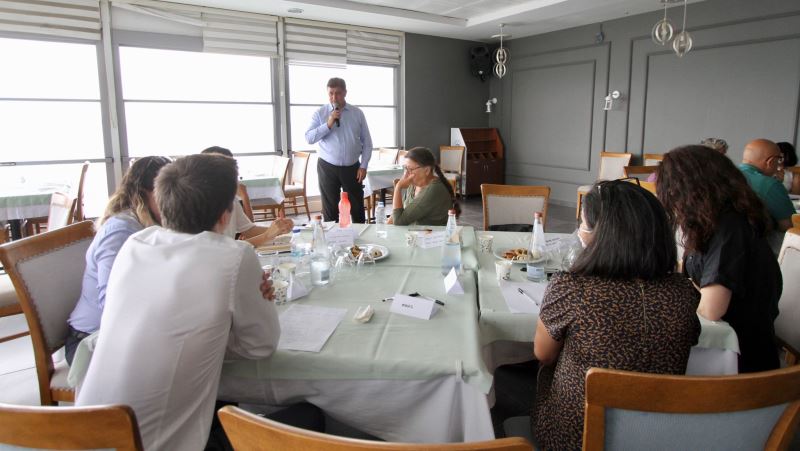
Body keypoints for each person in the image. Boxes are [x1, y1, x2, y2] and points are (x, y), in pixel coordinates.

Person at [76, 154, 281, 451]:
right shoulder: (233, 256)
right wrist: (211, 335)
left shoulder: (136, 244)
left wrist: (201, 334)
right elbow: (261, 346)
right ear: (226, 215)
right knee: (309, 417)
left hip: (79, 436)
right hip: (157, 446)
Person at [532, 180, 700, 450]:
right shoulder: (683, 292)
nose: (580, 233)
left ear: (604, 235)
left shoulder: (572, 288)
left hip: (578, 437)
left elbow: (544, 354)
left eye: (584, 225)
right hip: (656, 435)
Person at [657, 145, 781, 373]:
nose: (672, 202)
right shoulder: (712, 223)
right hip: (728, 346)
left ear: (691, 190)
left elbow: (711, 309)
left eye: (673, 192)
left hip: (740, 362)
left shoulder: (730, 229)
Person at [64, 156, 171, 365]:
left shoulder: (150, 225)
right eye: (168, 194)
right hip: (91, 342)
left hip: (124, 333)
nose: (173, 202)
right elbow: (112, 302)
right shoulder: (121, 230)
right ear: (144, 193)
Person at [305, 77, 373, 223]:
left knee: (357, 208)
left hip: (353, 168)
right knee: (330, 210)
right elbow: (309, 138)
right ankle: (332, 237)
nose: (334, 97)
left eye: (338, 93)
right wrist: (328, 124)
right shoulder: (320, 113)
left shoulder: (357, 113)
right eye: (331, 93)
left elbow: (367, 142)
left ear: (345, 93)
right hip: (327, 167)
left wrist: (364, 166)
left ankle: (360, 236)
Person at [202, 146, 293, 246]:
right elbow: (224, 248)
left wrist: (279, 229)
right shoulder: (201, 206)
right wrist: (267, 235)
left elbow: (249, 230)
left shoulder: (231, 200)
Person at [388, 147, 459, 226]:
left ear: (427, 170)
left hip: (430, 233)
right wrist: (386, 225)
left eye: (410, 169)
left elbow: (398, 221)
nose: (406, 174)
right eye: (405, 168)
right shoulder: (413, 184)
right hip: (413, 232)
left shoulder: (433, 190)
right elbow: (397, 213)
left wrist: (398, 187)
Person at [739, 138, 795, 232]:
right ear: (770, 161)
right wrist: (776, 187)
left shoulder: (728, 174)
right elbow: (788, 225)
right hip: (758, 238)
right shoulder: (769, 184)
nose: (779, 163)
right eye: (779, 159)